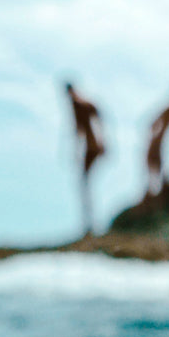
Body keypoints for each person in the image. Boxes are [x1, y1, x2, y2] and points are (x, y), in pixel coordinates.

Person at [65, 83, 106, 235]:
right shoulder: (82, 103)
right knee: (86, 184)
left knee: (85, 184)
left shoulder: (77, 103)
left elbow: (80, 130)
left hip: (91, 148)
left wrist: (100, 141)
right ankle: (89, 224)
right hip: (92, 147)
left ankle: (90, 225)